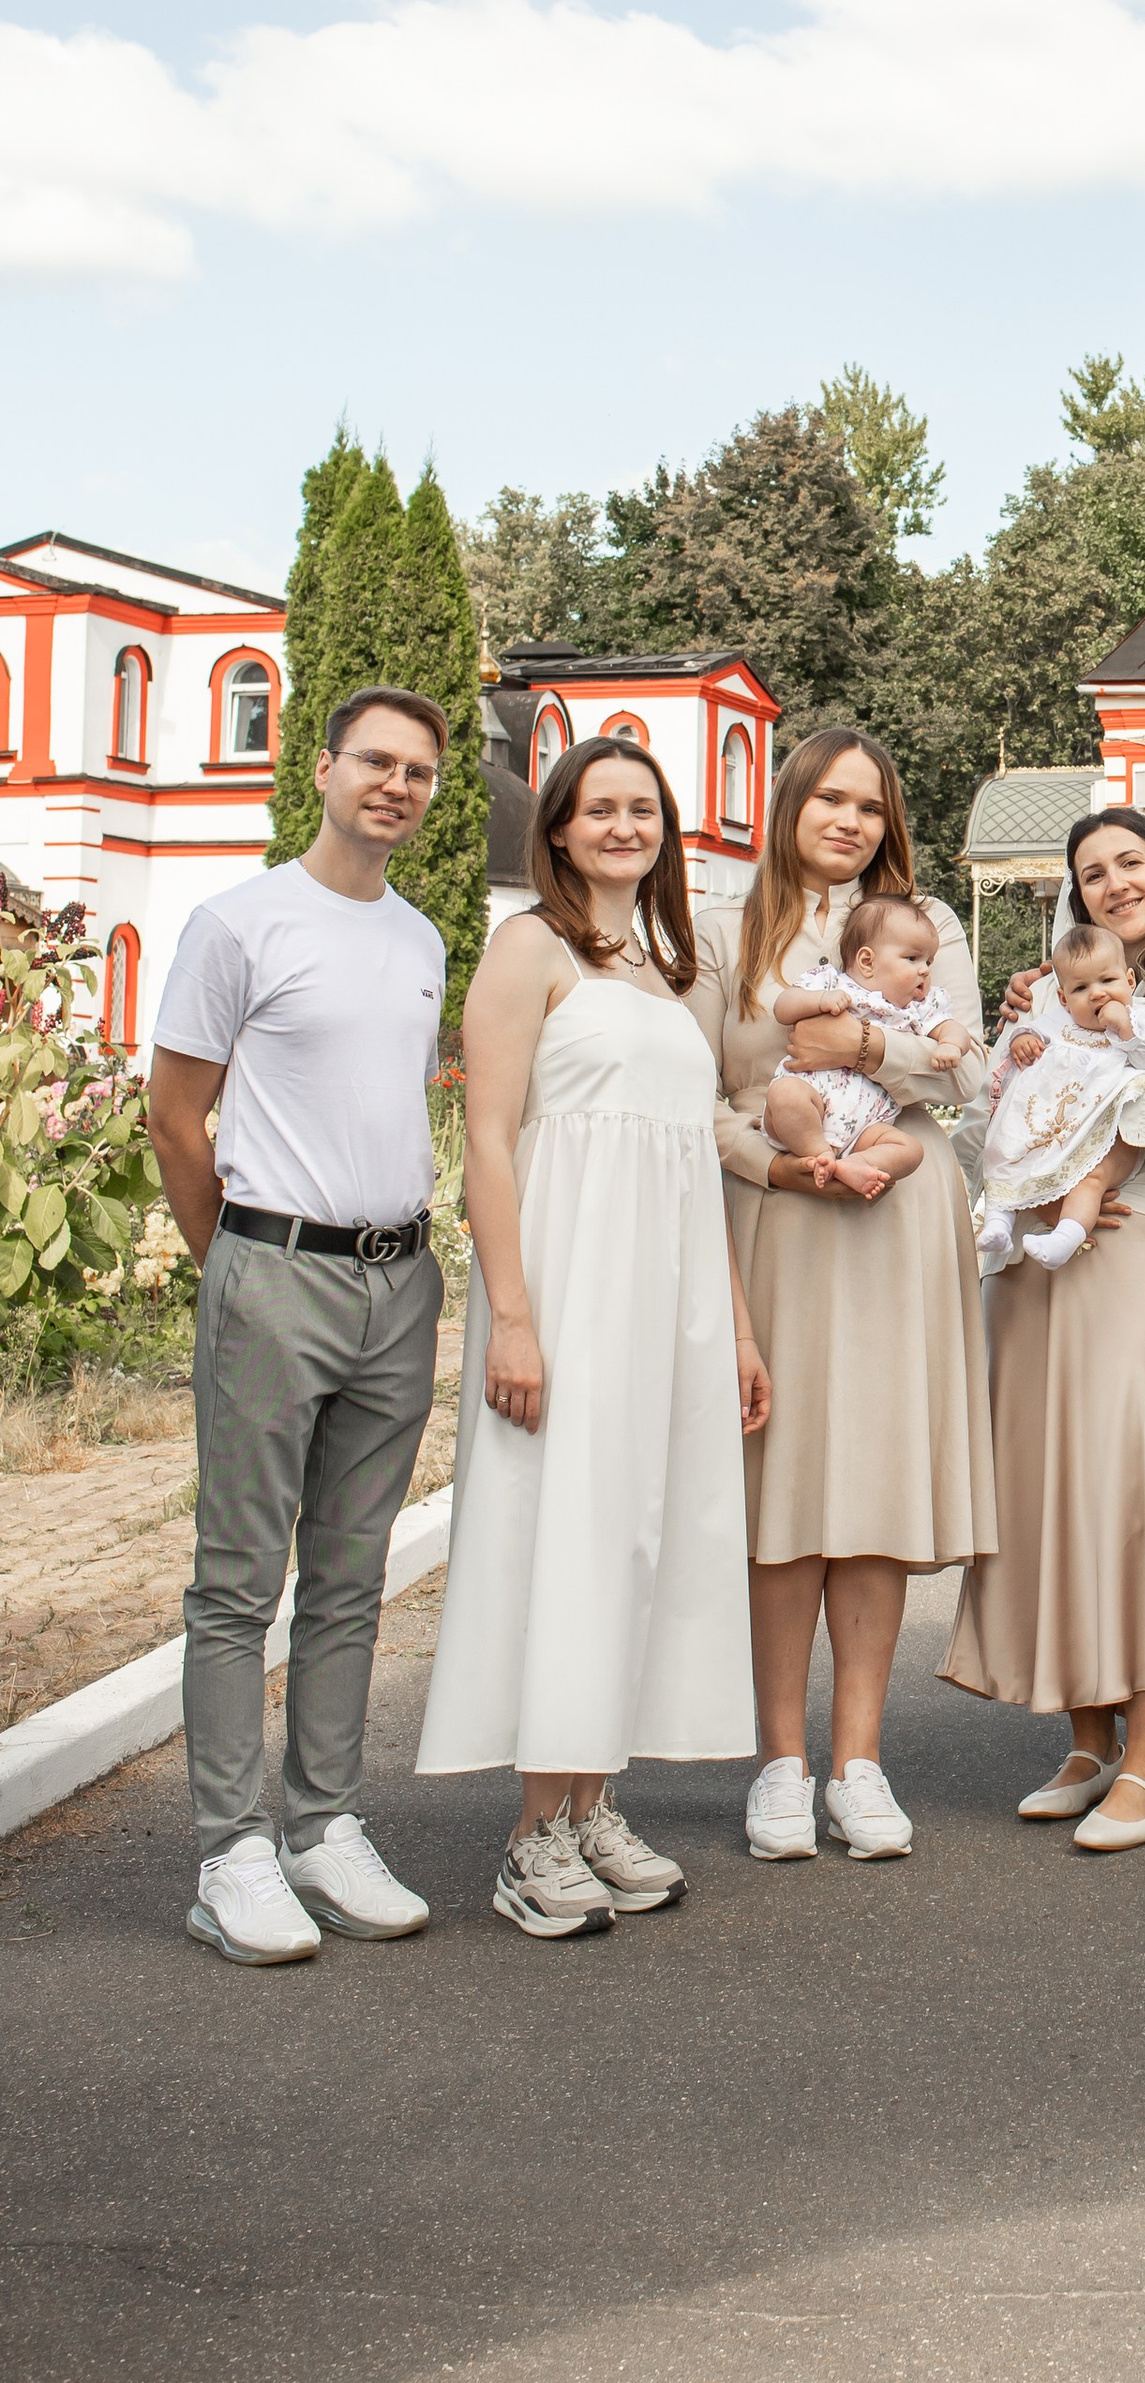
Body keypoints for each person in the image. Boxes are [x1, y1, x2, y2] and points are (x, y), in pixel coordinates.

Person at [416, 739, 765, 1937]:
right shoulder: (529, 949)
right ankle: (532, 1835)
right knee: (562, 1532)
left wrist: (736, 1329)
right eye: (600, 808)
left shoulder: (666, 970)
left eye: (643, 809)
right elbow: (489, 1140)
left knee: (639, 1535)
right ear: (558, 828)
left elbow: (691, 1164)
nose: (625, 826)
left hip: (669, 1299)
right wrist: (512, 1318)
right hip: (568, 1287)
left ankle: (591, 1801)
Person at [148, 686, 455, 1967]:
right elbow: (175, 1117)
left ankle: (323, 1827)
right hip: (275, 1272)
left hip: (402, 1279)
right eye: (374, 761)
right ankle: (231, 1850)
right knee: (238, 1579)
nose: (396, 785)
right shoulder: (240, 923)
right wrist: (235, 1267)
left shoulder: (423, 938)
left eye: (419, 771)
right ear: (322, 769)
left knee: (349, 1575)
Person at [688, 726, 994, 1866]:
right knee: (785, 1490)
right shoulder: (721, 927)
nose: (848, 821)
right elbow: (702, 1091)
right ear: (788, 804)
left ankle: (859, 1762)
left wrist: (858, 1041)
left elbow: (968, 1071)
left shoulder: (930, 923)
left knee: (871, 1485)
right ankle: (779, 1761)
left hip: (895, 1219)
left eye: (869, 805)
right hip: (776, 1216)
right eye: (828, 798)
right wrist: (773, 1165)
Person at [944, 812, 1145, 1855]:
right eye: (1092, 873)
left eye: (1130, 863)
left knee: (1122, 1490)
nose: (1115, 883)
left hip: (1140, 1243)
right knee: (1044, 1491)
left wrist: (1091, 1117)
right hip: (1035, 1256)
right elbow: (985, 1127)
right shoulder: (1047, 989)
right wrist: (1026, 1064)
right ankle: (1087, 1739)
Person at [974, 918, 1145, 1275]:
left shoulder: (1142, 1020)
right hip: (1048, 1126)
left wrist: (1125, 1026)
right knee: (1008, 1147)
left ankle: (1064, 1238)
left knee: (1090, 1181)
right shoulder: (1060, 1021)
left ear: (1129, 981)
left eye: (1108, 981)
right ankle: (998, 1224)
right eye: (1081, 988)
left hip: (1094, 1130)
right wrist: (1023, 1040)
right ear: (1064, 999)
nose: (1097, 994)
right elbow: (1030, 1031)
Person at [761, 890, 969, 1198]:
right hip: (811, 1103)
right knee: (785, 1095)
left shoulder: (916, 1008)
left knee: (910, 1150)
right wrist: (819, 1000)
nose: (925, 969)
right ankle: (819, 1153)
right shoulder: (831, 982)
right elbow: (783, 1008)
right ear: (867, 961)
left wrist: (950, 1044)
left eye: (929, 960)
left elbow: (952, 1028)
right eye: (912, 958)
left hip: (867, 1127)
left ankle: (855, 1164)